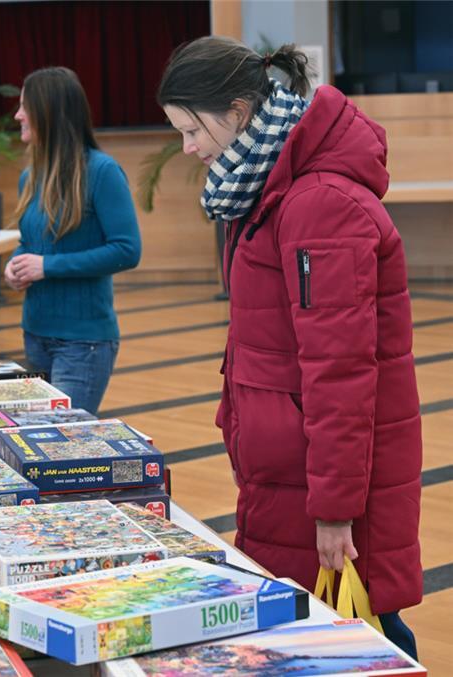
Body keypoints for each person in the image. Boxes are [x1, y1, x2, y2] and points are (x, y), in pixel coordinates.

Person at [157, 36, 422, 658]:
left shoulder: (318, 205)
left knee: (362, 634)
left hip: (323, 484)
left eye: (192, 130)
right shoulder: (273, 192)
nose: (189, 149)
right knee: (337, 633)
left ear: (240, 112)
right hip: (290, 469)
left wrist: (334, 510)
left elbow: (341, 373)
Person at [5, 67, 141, 415]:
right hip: (36, 334)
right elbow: (30, 241)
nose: (18, 115)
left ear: (48, 112)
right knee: (37, 444)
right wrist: (18, 265)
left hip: (84, 344)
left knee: (60, 446)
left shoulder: (102, 172)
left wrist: (46, 267)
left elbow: (127, 251)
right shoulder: (29, 177)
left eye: (25, 106)